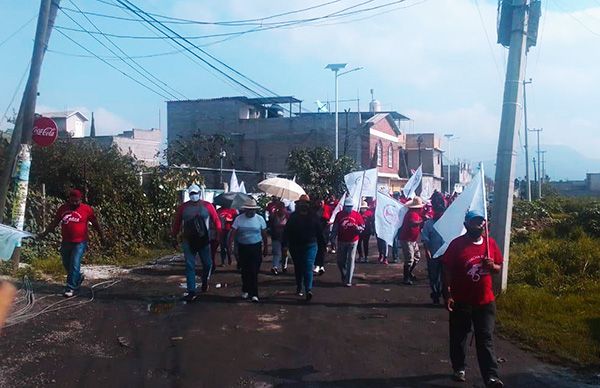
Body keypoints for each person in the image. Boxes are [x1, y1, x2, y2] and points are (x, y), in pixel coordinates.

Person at [441, 210, 504, 388]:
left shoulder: (490, 244)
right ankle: (459, 367)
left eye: (481, 222)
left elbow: (498, 267)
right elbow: (446, 270)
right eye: (475, 222)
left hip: (485, 301)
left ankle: (491, 376)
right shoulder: (456, 245)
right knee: (459, 336)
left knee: (485, 338)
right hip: (461, 300)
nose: (479, 225)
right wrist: (447, 293)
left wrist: (493, 266)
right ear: (466, 225)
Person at [40, 189, 105, 298]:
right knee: (66, 263)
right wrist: (45, 233)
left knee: (75, 263)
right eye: (72, 201)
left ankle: (70, 287)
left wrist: (101, 236)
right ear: (69, 199)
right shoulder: (63, 208)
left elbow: (95, 223)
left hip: (80, 242)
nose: (75, 203)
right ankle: (78, 278)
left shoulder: (86, 209)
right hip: (66, 241)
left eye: (77, 201)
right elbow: (55, 222)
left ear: (81, 200)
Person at [171, 184, 221, 302]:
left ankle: (204, 281)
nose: (194, 195)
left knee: (208, 264)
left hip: (204, 240)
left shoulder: (208, 206)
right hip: (188, 240)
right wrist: (174, 237)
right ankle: (191, 291)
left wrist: (218, 235)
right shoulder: (183, 208)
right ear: (189, 194)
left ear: (199, 193)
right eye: (191, 193)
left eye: (195, 193)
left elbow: (216, 220)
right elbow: (177, 223)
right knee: (189, 265)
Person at [283, 194, 325, 301]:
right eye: (301, 203)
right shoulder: (293, 217)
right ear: (298, 204)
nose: (303, 205)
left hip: (311, 245)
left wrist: (322, 246)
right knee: (298, 267)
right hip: (295, 246)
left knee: (308, 266)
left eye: (305, 203)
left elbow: (320, 233)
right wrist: (285, 245)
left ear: (308, 204)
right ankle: (299, 286)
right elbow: (287, 232)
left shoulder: (313, 216)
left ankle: (308, 289)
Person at [229, 198, 268, 302]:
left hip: (256, 247)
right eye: (249, 209)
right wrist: (230, 247)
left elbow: (264, 234)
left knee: (254, 270)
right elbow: (233, 233)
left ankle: (254, 293)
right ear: (245, 210)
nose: (251, 212)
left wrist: (266, 248)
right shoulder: (239, 219)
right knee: (245, 270)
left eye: (253, 210)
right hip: (243, 247)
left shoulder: (260, 219)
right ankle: (245, 289)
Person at [333, 197, 365, 286]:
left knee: (351, 259)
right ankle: (344, 274)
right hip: (341, 240)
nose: (349, 208)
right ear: (344, 206)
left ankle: (348, 280)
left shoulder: (357, 215)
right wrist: (332, 239)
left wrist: (358, 228)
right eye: (347, 206)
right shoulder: (339, 215)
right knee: (340, 261)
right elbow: (335, 227)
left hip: (353, 240)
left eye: (350, 206)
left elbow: (363, 227)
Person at [421, 202, 446, 304]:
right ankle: (435, 293)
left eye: (441, 212)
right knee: (433, 276)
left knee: (444, 276)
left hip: (445, 254)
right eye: (437, 212)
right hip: (433, 254)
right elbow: (425, 239)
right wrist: (427, 251)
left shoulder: (448, 224)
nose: (439, 214)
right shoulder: (429, 224)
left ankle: (439, 292)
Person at [399, 196, 425, 285]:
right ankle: (406, 277)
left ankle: (409, 273)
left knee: (416, 257)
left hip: (412, 239)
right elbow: (412, 223)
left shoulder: (415, 214)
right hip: (407, 239)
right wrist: (422, 221)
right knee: (410, 259)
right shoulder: (411, 214)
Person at [268, 205, 289, 275]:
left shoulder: (288, 216)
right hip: (276, 237)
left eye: (282, 208)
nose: (281, 210)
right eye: (280, 208)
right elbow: (270, 225)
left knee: (285, 253)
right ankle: (275, 266)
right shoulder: (273, 216)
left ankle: (284, 266)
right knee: (277, 253)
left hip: (285, 237)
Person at [312, 198, 329, 276]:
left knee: (322, 250)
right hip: (315, 233)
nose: (320, 203)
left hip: (324, 233)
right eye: (318, 201)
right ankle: (317, 265)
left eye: (321, 201)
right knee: (316, 250)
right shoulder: (313, 210)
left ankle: (321, 266)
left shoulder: (327, 209)